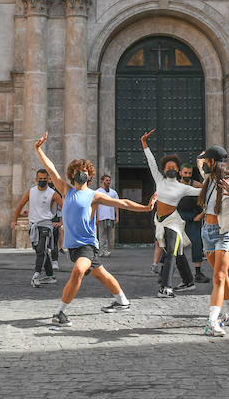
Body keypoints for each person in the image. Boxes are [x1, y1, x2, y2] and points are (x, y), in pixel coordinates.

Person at [34, 132, 151, 326]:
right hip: (73, 246)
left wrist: (145, 208)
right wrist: (38, 149)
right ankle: (122, 300)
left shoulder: (94, 196)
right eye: (78, 170)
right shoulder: (65, 190)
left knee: (79, 271)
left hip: (87, 245)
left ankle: (59, 313)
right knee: (101, 273)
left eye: (85, 170)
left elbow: (122, 202)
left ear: (89, 174)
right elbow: (50, 168)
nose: (82, 172)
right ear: (73, 174)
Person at [194, 145, 229, 336]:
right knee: (222, 275)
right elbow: (199, 161)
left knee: (218, 277)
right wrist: (205, 154)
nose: (204, 165)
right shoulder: (208, 179)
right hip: (207, 233)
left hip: (224, 233)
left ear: (213, 162)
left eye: (207, 161)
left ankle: (212, 322)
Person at [141, 132, 196, 298]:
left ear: (177, 170)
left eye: (174, 168)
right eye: (168, 167)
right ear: (164, 169)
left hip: (174, 222)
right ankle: (188, 282)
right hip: (159, 221)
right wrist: (144, 143)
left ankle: (166, 287)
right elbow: (151, 162)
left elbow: (202, 192)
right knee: (176, 251)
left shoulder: (182, 187)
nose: (171, 169)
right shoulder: (159, 180)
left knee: (171, 251)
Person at [12, 167, 63, 287]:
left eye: (45, 179)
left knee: (41, 251)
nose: (43, 181)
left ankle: (36, 275)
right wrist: (14, 220)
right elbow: (20, 205)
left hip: (46, 225)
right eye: (40, 179)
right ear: (36, 179)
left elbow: (64, 207)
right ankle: (50, 276)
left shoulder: (53, 194)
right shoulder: (31, 191)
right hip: (33, 226)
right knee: (40, 251)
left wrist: (61, 222)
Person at [177, 165, 209, 283]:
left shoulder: (196, 184)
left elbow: (208, 196)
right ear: (180, 172)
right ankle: (163, 272)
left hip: (193, 217)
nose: (187, 175)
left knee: (197, 242)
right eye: (185, 173)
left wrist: (202, 214)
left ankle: (198, 272)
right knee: (171, 244)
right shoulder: (175, 185)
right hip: (178, 218)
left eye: (189, 173)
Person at [95, 173, 118, 256]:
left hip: (111, 216)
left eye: (109, 180)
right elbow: (95, 205)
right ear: (102, 181)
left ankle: (106, 250)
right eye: (106, 180)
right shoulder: (97, 192)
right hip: (101, 216)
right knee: (101, 234)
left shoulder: (113, 192)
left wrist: (117, 216)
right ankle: (102, 250)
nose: (108, 182)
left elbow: (116, 204)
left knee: (109, 235)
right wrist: (96, 217)